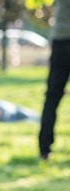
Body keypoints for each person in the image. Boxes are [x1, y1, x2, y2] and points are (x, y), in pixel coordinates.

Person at [40, 0, 70, 160]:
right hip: (61, 39)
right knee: (52, 98)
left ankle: (44, 150)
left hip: (61, 41)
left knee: (52, 98)